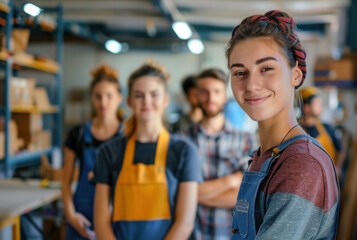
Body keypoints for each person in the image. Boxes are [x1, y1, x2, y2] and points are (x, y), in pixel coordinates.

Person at [226, 10, 340, 239]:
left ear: (295, 75)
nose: (251, 85)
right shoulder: (266, 156)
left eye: (266, 68)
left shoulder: (301, 163)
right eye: (240, 72)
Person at [93, 60, 201, 240]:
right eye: (139, 95)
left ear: (165, 99)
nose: (146, 101)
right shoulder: (109, 152)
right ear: (129, 101)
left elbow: (185, 223)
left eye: (154, 94)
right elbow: (101, 223)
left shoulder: (184, 151)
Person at [183, 68, 257, 240]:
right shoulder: (182, 141)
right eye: (204, 92)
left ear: (224, 96)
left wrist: (192, 196)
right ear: (196, 96)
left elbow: (247, 197)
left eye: (216, 91)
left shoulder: (245, 139)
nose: (210, 98)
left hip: (231, 234)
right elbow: (176, 192)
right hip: (192, 234)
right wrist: (230, 181)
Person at [62, 64, 123, 240]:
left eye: (109, 96)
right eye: (98, 96)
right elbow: (65, 183)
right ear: (91, 98)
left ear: (119, 98)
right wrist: (71, 214)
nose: (103, 102)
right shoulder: (78, 135)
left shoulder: (127, 135)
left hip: (116, 216)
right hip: (81, 217)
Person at [300, 86, 342, 165]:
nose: (321, 107)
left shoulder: (327, 128)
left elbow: (340, 150)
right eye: (317, 103)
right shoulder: (297, 131)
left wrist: (338, 167)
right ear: (306, 108)